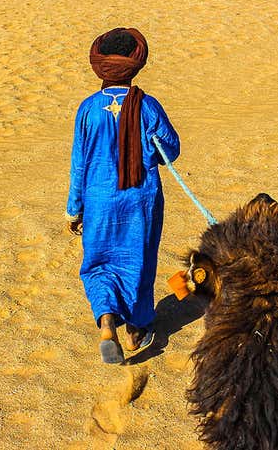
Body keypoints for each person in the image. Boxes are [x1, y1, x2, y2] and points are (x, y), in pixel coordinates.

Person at [66, 28, 180, 364]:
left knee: (100, 264)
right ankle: (134, 331)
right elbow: (170, 150)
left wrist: (74, 209)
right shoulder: (148, 106)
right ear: (136, 63)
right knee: (138, 264)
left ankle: (105, 324)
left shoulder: (88, 109)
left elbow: (79, 163)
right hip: (139, 202)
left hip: (99, 202)